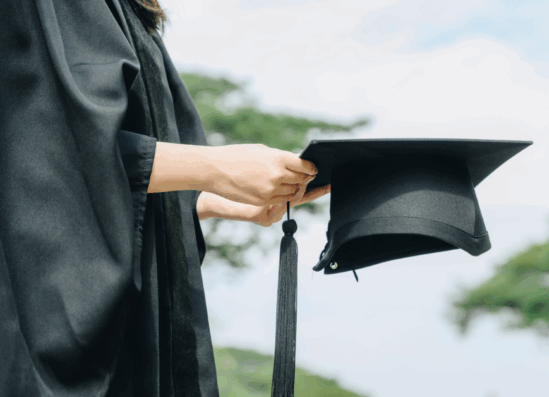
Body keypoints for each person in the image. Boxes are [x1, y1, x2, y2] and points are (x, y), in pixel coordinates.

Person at [0, 0, 329, 396]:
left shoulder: (130, 12)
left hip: (147, 338)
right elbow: (42, 153)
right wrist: (214, 168)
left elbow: (118, 176)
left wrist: (207, 199)